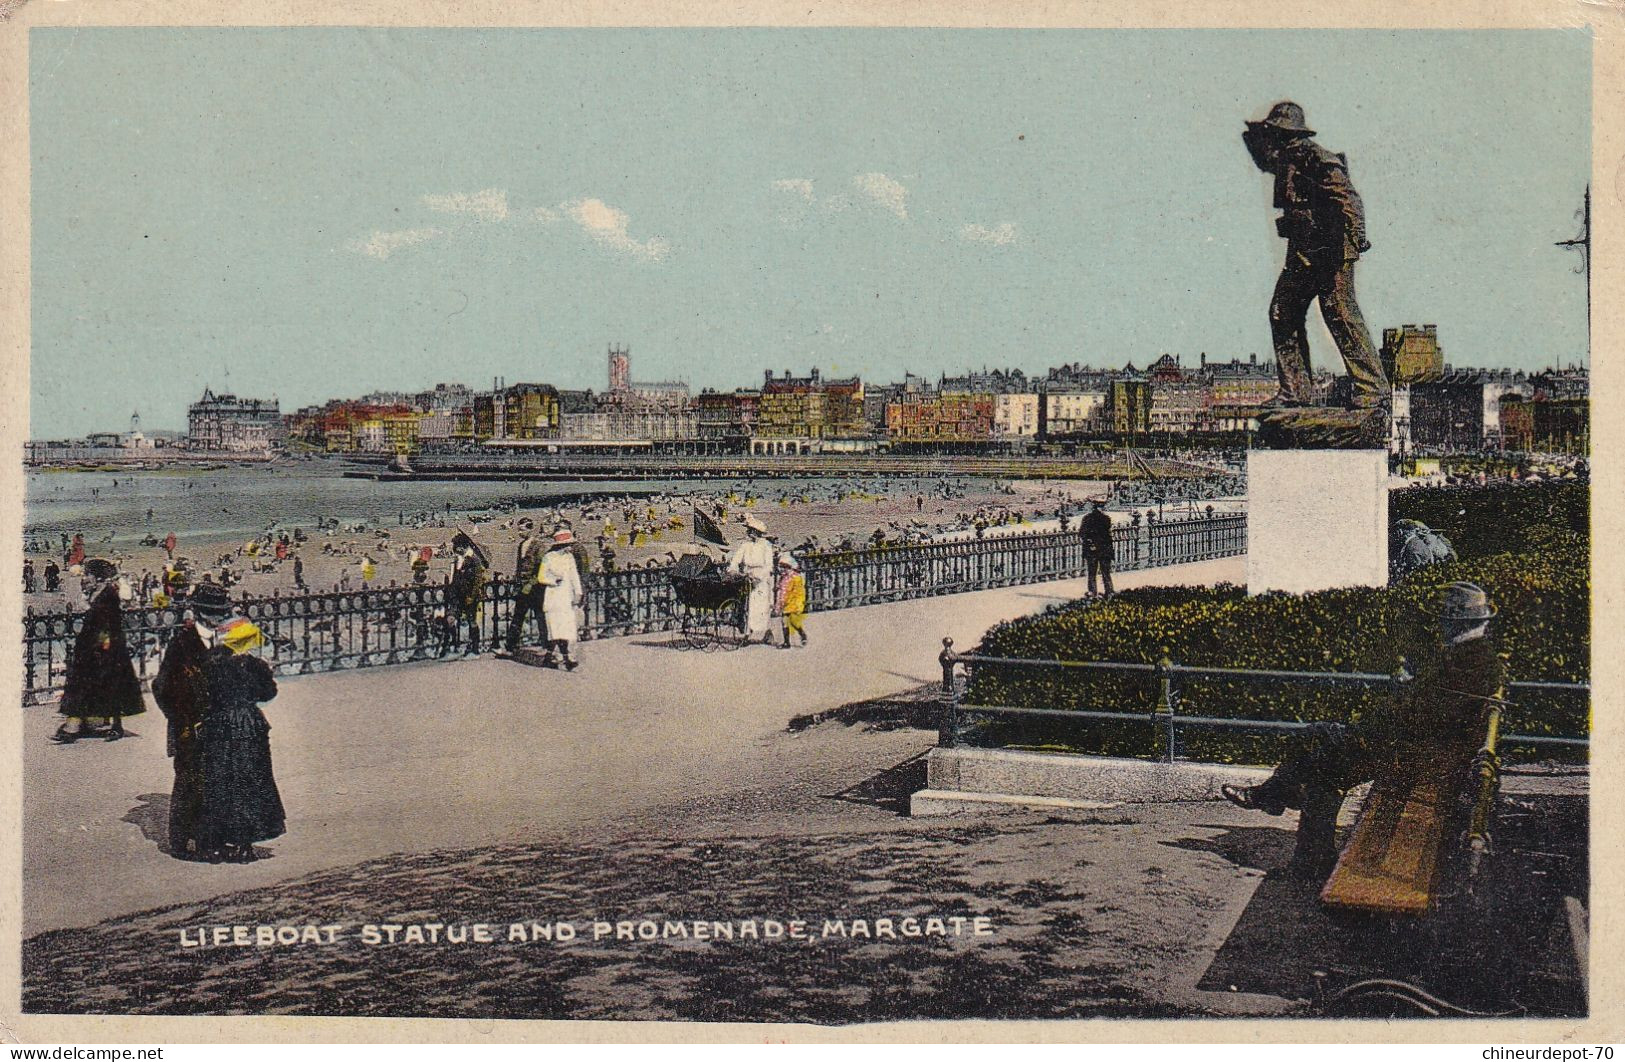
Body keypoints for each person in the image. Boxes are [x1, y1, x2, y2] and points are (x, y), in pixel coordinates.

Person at [1221, 581, 1504, 876]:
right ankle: (1276, 800)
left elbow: (1426, 716)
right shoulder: (1470, 656)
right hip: (1424, 751)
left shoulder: (1469, 662)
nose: (1439, 626)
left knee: (1323, 767)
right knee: (1319, 738)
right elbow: (1428, 711)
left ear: (1457, 623)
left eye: (1442, 620)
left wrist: (1378, 721)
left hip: (1421, 758)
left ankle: (1280, 808)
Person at [1242, 101, 1388, 408]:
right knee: (1283, 312)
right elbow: (1260, 155)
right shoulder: (1285, 159)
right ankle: (1295, 392)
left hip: (1331, 250)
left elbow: (1349, 199)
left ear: (1289, 134)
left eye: (1277, 133)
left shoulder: (1318, 158)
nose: (1275, 141)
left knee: (1340, 314)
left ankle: (1372, 390)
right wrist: (1255, 132)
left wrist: (1358, 238)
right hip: (1303, 251)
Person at [192, 587, 286, 863]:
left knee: (220, 782)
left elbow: (202, 692)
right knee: (251, 782)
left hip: (219, 723)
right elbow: (268, 692)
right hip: (250, 723)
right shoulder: (252, 656)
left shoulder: (210, 660)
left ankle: (219, 841)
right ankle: (245, 845)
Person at [152, 586, 220, 860]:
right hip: (188, 727)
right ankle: (180, 841)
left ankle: (207, 839)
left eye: (222, 613)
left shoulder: (224, 640)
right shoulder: (181, 643)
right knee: (188, 782)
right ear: (200, 613)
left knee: (214, 781)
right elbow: (161, 686)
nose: (218, 619)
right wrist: (181, 718)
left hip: (216, 726)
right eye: (213, 614)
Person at [54, 559, 144, 743]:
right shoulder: (98, 593)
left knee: (110, 686)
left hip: (106, 649)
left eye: (88, 575)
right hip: (95, 648)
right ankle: (80, 724)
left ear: (99, 578)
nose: (85, 578)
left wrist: (101, 650)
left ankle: (110, 726)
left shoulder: (109, 594)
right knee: (92, 685)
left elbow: (108, 625)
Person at [498, 525, 549, 658]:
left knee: (540, 617)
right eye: (519, 530)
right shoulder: (521, 545)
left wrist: (531, 583)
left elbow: (541, 567)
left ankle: (546, 646)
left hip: (536, 587)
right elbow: (519, 566)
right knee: (517, 617)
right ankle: (510, 647)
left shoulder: (539, 545)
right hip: (522, 587)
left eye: (523, 529)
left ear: (530, 529)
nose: (520, 532)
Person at [728, 515, 776, 645]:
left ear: (755, 532)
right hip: (747, 578)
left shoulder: (766, 546)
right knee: (747, 606)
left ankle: (767, 632)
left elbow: (769, 565)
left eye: (750, 530)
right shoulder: (746, 545)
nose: (748, 532)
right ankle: (747, 634)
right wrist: (733, 569)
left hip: (761, 580)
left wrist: (759, 577)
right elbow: (736, 559)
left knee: (761, 608)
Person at [539, 530, 584, 670]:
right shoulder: (548, 557)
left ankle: (552, 657)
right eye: (568, 544)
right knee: (556, 629)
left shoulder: (569, 557)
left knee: (566, 629)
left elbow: (574, 576)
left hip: (566, 597)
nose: (570, 547)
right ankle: (566, 659)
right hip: (553, 596)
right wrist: (553, 581)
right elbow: (541, 577)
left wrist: (578, 592)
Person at [447, 530, 489, 655]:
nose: (455, 549)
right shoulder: (458, 560)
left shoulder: (474, 560)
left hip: (470, 597)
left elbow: (477, 581)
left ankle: (474, 649)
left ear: (463, 546)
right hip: (458, 596)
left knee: (472, 621)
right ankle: (454, 646)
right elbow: (454, 579)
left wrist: (472, 596)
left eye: (456, 546)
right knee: (451, 619)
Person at [1080, 498, 1114, 599]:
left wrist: (1090, 543)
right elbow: (1108, 536)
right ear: (1102, 507)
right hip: (1104, 550)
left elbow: (1082, 534)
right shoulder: (1106, 519)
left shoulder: (1086, 518)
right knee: (1106, 572)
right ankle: (1109, 592)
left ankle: (1092, 592)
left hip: (1092, 550)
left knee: (1092, 573)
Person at [775, 554, 808, 649]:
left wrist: (799, 603)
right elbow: (780, 590)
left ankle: (802, 634)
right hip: (785, 602)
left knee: (793, 621)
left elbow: (799, 592)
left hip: (793, 602)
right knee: (784, 621)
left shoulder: (796, 578)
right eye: (781, 567)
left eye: (784, 567)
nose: (782, 569)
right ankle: (786, 642)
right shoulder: (783, 577)